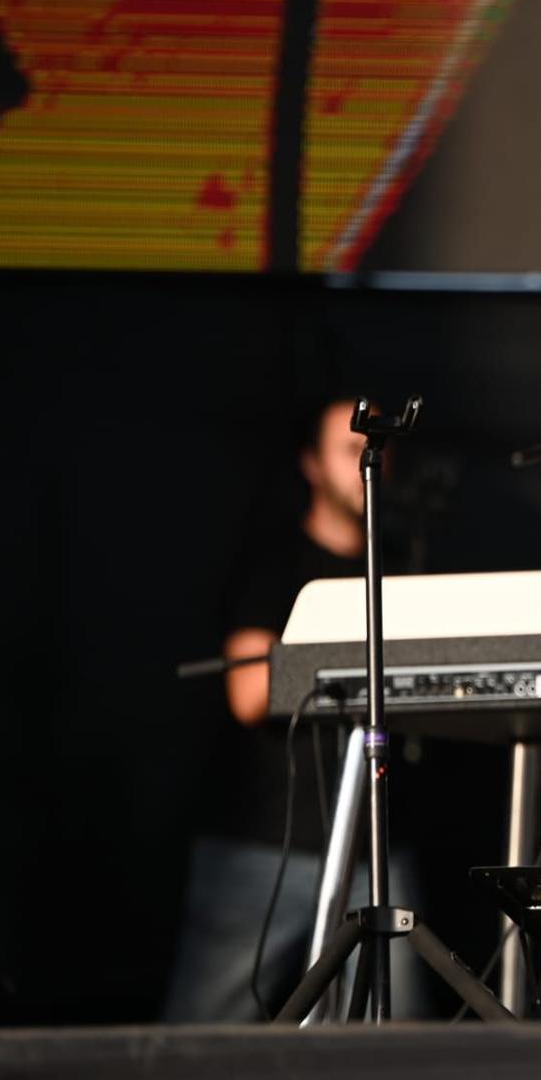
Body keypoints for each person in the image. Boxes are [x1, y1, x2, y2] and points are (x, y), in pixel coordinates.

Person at [165, 398, 399, 1022]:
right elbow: (247, 694)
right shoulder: (276, 566)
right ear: (312, 465)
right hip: (265, 848)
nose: (366, 462)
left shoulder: (402, 565)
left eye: (376, 447)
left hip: (376, 851)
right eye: (350, 448)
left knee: (395, 1036)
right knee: (207, 1031)